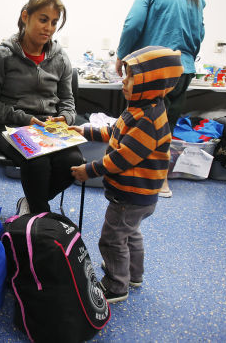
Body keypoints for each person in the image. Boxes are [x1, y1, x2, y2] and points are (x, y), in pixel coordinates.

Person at [70, 46, 183, 303]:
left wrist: (88, 171)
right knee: (130, 233)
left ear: (150, 82)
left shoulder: (147, 119)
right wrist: (85, 131)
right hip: (141, 195)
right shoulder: (140, 107)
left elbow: (121, 157)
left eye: (131, 76)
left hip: (131, 193)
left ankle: (116, 285)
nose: (124, 80)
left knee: (112, 239)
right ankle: (133, 274)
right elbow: (114, 131)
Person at [0, 0, 83, 214]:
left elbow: (68, 101)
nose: (49, 28)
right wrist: (24, 118)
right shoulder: (2, 55)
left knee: (73, 163)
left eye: (54, 22)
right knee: (37, 161)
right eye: (43, 20)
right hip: (9, 125)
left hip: (48, 127)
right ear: (26, 16)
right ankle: (39, 216)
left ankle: (31, 207)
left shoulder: (61, 58)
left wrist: (65, 118)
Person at [114, 0, 206, 198]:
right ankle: (161, 183)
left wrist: (123, 55)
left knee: (138, 127)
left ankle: (128, 177)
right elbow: (200, 34)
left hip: (151, 72)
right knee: (166, 130)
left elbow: (133, 24)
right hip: (182, 69)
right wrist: (186, 60)